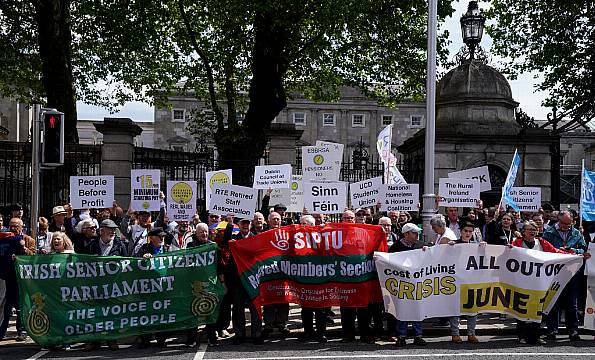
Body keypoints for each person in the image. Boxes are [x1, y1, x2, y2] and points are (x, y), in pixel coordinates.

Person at [512, 220, 571, 344]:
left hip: (538, 282)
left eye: (534, 229)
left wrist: (574, 255)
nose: (532, 232)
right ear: (524, 231)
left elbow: (556, 252)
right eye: (529, 229)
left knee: (537, 308)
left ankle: (535, 336)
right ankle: (521, 335)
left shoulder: (542, 242)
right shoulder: (517, 243)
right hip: (521, 281)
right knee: (521, 307)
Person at [542, 211, 589, 341]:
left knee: (572, 303)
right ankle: (552, 330)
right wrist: (558, 250)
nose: (566, 226)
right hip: (555, 272)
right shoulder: (549, 232)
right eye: (563, 223)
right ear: (558, 220)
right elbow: (545, 248)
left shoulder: (577, 233)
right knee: (554, 300)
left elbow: (584, 249)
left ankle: (573, 330)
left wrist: (574, 250)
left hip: (572, 272)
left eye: (568, 224)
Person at [185, 223, 225, 347]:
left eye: (206, 232)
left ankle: (212, 338)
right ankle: (191, 339)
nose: (204, 234)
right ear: (196, 233)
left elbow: (219, 266)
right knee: (194, 311)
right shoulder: (191, 246)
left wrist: (222, 282)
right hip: (195, 284)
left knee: (210, 311)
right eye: (201, 232)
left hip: (210, 283)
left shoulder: (212, 247)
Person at [389, 223, 427, 346]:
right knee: (402, 310)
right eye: (414, 233)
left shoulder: (421, 245)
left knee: (417, 310)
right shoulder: (395, 247)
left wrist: (428, 252)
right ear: (406, 234)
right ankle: (401, 336)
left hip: (417, 284)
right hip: (401, 284)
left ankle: (418, 336)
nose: (417, 235)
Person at [444, 221, 482, 343]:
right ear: (460, 232)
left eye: (470, 231)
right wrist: (447, 248)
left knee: (472, 308)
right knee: (455, 308)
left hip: (472, 282)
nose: (467, 233)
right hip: (456, 281)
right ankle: (455, 333)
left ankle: (471, 333)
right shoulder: (454, 244)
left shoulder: (477, 245)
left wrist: (485, 248)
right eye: (465, 231)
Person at [136, 228, 170, 347]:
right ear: (151, 238)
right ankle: (145, 339)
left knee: (162, 313)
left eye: (163, 236)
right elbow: (134, 264)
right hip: (148, 288)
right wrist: (142, 260)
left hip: (163, 287)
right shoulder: (144, 249)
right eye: (159, 236)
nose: (162, 238)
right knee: (147, 313)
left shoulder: (168, 248)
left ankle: (161, 339)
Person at [297, 215, 327, 343]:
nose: (302, 226)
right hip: (304, 276)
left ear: (311, 225)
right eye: (301, 223)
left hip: (319, 276)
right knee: (306, 309)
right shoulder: (296, 237)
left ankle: (321, 333)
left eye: (304, 223)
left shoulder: (321, 236)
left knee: (320, 309)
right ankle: (308, 332)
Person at [262, 212, 290, 337]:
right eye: (273, 219)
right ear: (268, 221)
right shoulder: (263, 235)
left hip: (283, 272)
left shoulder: (286, 233)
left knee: (284, 299)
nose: (276, 221)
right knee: (269, 300)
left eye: (278, 219)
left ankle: (282, 324)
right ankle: (268, 324)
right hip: (268, 272)